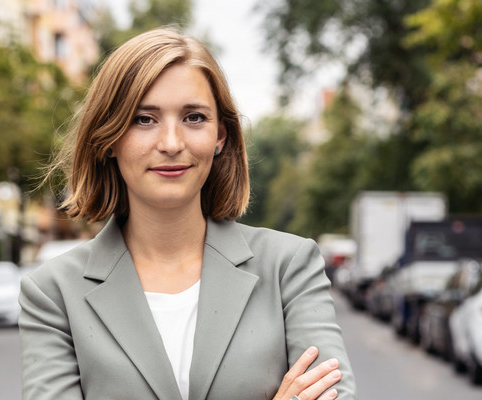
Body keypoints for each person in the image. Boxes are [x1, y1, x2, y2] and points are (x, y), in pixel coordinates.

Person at [19, 27, 357, 400]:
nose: (171, 143)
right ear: (109, 138)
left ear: (220, 137)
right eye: (143, 119)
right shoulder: (52, 293)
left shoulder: (289, 267)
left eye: (194, 117)